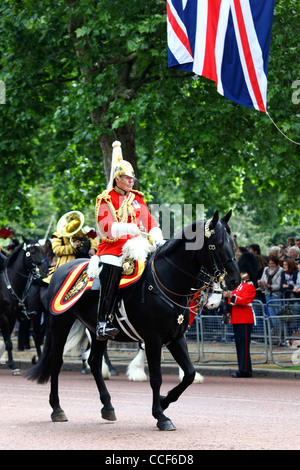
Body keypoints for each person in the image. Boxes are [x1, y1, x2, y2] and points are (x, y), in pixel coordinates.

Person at [94, 141, 163, 341]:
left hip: (137, 245)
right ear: (117, 178)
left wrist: (157, 236)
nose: (131, 181)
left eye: (132, 177)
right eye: (126, 177)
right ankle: (102, 322)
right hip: (113, 248)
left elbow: (149, 221)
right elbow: (105, 226)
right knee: (113, 267)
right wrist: (127, 228)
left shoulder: (137, 198)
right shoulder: (106, 198)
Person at [43, 211, 98, 284]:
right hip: (68, 265)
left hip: (86, 261)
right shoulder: (57, 234)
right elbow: (56, 249)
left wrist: (93, 248)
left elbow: (92, 239)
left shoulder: (82, 232)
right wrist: (72, 247)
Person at [223, 271, 256, 378]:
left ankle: (245, 370)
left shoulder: (250, 287)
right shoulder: (240, 286)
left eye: (243, 272)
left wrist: (230, 296)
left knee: (244, 346)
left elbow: (244, 301)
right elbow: (232, 301)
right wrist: (228, 310)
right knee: (239, 346)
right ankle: (243, 368)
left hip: (245, 319)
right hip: (236, 318)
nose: (240, 274)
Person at [257, 256, 283, 328]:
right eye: (269, 263)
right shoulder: (266, 269)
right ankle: (276, 331)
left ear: (276, 263)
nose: (270, 265)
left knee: (278, 314)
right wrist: (260, 284)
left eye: (272, 263)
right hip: (267, 294)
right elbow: (262, 280)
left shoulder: (281, 270)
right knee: (271, 315)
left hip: (276, 295)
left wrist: (268, 285)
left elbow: (278, 285)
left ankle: (282, 332)